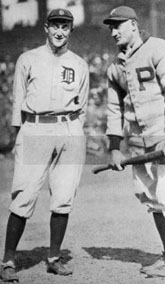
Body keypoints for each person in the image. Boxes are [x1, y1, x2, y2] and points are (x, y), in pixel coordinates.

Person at [0, 8, 89, 283]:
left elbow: (82, 105)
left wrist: (75, 132)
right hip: (35, 126)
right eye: (55, 26)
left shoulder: (80, 64)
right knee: (24, 194)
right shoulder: (28, 59)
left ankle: (53, 258)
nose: (59, 31)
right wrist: (19, 135)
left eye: (65, 26)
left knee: (63, 196)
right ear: (46, 28)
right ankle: (8, 261)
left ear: (71, 30)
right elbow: (18, 102)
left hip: (69, 128)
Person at [103, 6, 165, 278]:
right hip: (139, 143)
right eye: (111, 27)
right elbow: (114, 110)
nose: (114, 31)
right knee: (150, 197)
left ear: (133, 24)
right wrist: (115, 148)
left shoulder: (159, 48)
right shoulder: (115, 67)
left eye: (118, 25)